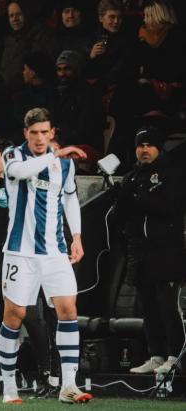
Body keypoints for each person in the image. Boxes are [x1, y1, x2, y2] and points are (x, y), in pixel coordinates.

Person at [0, 107, 92, 404]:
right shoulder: (13, 155)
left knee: (68, 311)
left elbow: (70, 198)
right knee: (15, 316)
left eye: (44, 132)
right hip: (19, 253)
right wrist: (55, 153)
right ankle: (9, 387)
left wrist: (76, 236)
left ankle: (68, 386)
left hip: (55, 252)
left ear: (52, 132)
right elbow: (21, 173)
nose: (39, 138)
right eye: (34, 132)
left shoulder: (64, 167)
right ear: (26, 133)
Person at [0, 138, 57, 397]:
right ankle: (1, 376)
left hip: (22, 262)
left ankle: (46, 373)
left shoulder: (22, 187)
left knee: (31, 317)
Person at [117, 126, 186, 375]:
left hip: (166, 251)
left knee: (167, 306)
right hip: (139, 252)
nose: (144, 150)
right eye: (140, 145)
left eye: (149, 145)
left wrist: (136, 198)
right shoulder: (132, 177)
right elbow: (121, 216)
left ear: (159, 148)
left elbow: (169, 208)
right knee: (148, 308)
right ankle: (156, 355)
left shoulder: (172, 174)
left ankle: (175, 357)